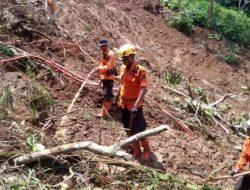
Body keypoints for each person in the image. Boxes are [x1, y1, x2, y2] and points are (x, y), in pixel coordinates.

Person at [116, 43, 151, 160]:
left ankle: (146, 149)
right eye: (122, 59)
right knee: (128, 128)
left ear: (131, 57)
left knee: (139, 129)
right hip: (124, 104)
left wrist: (136, 105)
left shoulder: (140, 71)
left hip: (134, 105)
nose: (123, 61)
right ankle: (136, 148)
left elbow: (144, 89)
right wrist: (117, 96)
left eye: (124, 59)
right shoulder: (122, 68)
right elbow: (122, 84)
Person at [96, 38, 117, 118]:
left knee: (106, 95)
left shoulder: (110, 54)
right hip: (105, 76)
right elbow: (102, 63)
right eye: (101, 46)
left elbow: (109, 66)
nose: (101, 47)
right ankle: (114, 106)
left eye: (103, 46)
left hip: (109, 77)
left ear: (106, 45)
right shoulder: (104, 53)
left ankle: (103, 112)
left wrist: (99, 68)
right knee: (109, 93)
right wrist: (100, 70)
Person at [231, 120, 250, 190]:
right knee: (238, 188)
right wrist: (237, 169)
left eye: (249, 128)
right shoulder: (248, 141)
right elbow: (244, 156)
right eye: (247, 128)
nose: (247, 130)